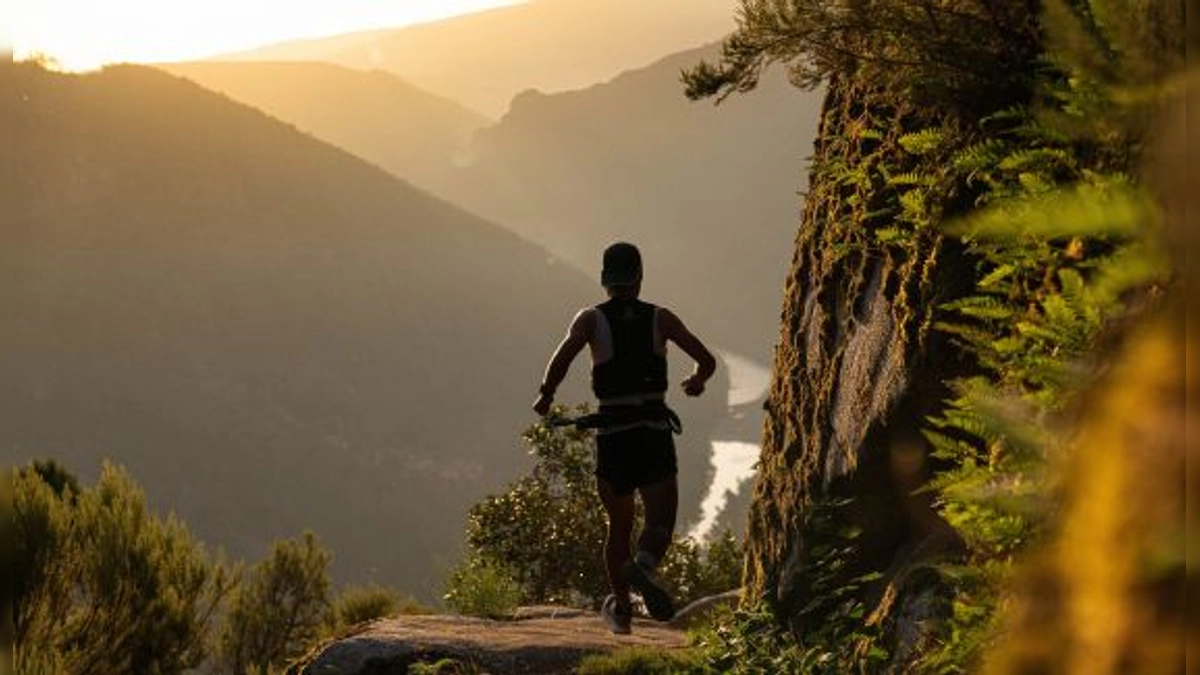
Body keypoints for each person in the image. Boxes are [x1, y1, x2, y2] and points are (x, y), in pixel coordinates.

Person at [532, 241, 716, 634]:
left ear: (604, 280)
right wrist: (696, 381)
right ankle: (644, 567)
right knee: (660, 520)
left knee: (618, 526)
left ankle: (621, 610)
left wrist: (546, 395)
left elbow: (562, 357)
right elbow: (707, 359)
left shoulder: (590, 320)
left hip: (613, 436)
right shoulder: (660, 318)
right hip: (652, 433)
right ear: (640, 278)